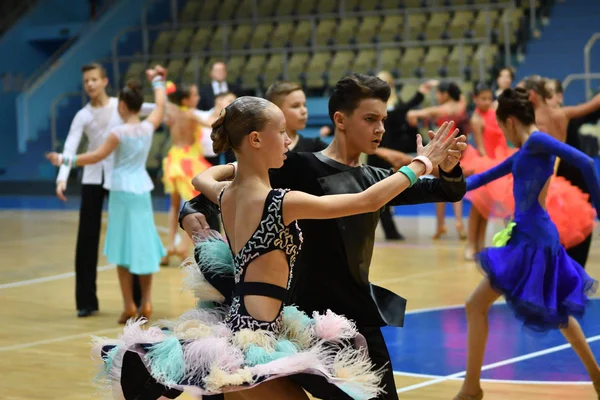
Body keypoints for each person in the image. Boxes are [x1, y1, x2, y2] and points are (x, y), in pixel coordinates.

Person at [91, 95, 461, 399]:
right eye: (281, 132)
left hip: (242, 334)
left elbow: (201, 176)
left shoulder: (226, 195)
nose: (288, 141)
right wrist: (422, 162)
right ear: (255, 140)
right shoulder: (279, 202)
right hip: (256, 346)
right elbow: (365, 201)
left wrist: (239, 165)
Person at [454, 87, 600, 400]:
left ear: (508, 121)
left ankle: (471, 389)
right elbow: (483, 178)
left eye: (501, 127)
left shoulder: (536, 141)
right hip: (533, 236)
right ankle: (598, 378)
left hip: (532, 240)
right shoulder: (526, 151)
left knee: (475, 306)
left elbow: (587, 162)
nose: (502, 133)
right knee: (560, 312)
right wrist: (432, 185)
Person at [47, 67, 168, 324]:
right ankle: (89, 301)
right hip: (103, 179)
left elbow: (95, 153)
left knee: (125, 243)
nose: (90, 84)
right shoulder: (84, 115)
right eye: (86, 81)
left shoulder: (119, 112)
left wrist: (63, 160)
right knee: (92, 239)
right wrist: (158, 82)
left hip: (119, 183)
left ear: (105, 81)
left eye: (94, 79)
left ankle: (133, 302)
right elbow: (158, 108)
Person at [367, 71, 434, 240]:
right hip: (376, 152)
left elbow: (402, 112)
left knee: (390, 191)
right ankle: (388, 231)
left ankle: (387, 230)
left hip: (392, 153)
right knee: (378, 192)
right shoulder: (371, 105)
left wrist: (419, 95)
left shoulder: (395, 105)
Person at [546, 78, 600, 267]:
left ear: (560, 97)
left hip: (576, 182)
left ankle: (575, 275)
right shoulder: (534, 120)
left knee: (580, 229)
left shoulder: (568, 115)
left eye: (550, 94)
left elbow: (594, 106)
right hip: (549, 182)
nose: (546, 99)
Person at [407, 81, 468, 240]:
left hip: (444, 152)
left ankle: (441, 224)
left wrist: (413, 114)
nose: (437, 96)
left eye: (439, 93)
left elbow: (420, 113)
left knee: (441, 185)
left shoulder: (444, 109)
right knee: (455, 184)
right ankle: (458, 222)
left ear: (446, 94)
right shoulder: (462, 103)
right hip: (462, 150)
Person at [161, 82, 213, 265]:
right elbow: (210, 124)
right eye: (195, 95)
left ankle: (170, 245)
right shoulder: (191, 114)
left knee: (174, 205)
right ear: (186, 99)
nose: (198, 98)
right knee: (195, 205)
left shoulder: (172, 113)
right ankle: (183, 245)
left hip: (173, 159)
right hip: (190, 161)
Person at [460, 83, 515, 260]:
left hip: (500, 158)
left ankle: (480, 245)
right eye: (482, 98)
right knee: (477, 207)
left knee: (486, 209)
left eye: (489, 98)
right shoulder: (476, 119)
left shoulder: (495, 112)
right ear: (474, 99)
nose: (486, 102)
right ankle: (470, 245)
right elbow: (481, 147)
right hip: (485, 162)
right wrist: (490, 166)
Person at [264, 81, 328, 152]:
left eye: (304, 105)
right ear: (276, 110)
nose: (304, 111)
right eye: (295, 106)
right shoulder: (263, 147)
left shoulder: (315, 146)